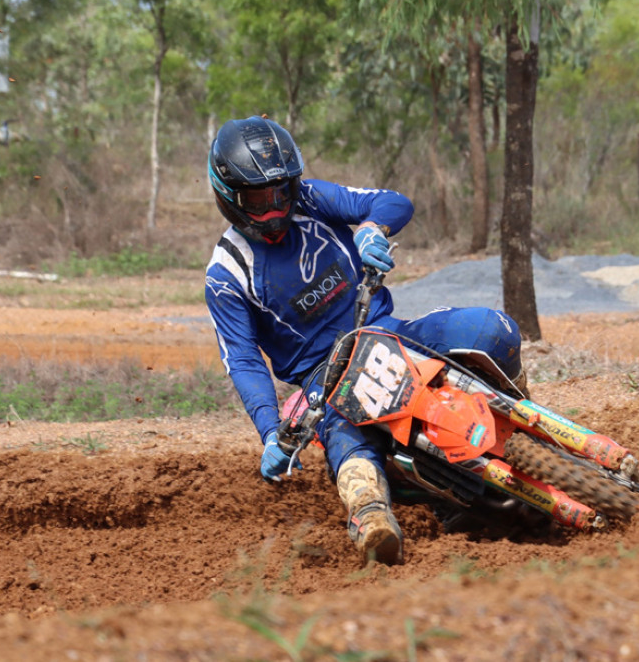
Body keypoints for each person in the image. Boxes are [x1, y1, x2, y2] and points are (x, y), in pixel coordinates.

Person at [204, 115, 527, 565]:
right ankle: (371, 518)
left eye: (282, 192)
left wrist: (374, 228)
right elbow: (242, 360)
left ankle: (525, 426)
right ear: (229, 197)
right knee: (347, 445)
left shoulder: (311, 198)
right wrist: (269, 433)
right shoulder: (226, 274)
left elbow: (394, 203)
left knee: (494, 331)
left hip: (387, 330)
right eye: (259, 199)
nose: (276, 208)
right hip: (326, 382)